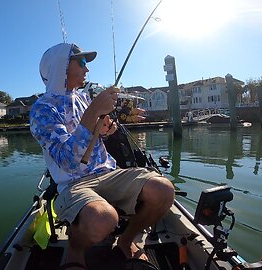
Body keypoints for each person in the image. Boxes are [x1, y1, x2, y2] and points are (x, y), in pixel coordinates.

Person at [30, 43, 174, 270]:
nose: (87, 69)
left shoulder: (82, 98)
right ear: (62, 67)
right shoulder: (42, 109)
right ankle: (75, 251)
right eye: (83, 62)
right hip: (73, 183)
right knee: (103, 219)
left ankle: (126, 240)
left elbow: (96, 133)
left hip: (108, 172)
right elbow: (67, 160)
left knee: (164, 190)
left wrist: (107, 127)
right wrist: (93, 112)